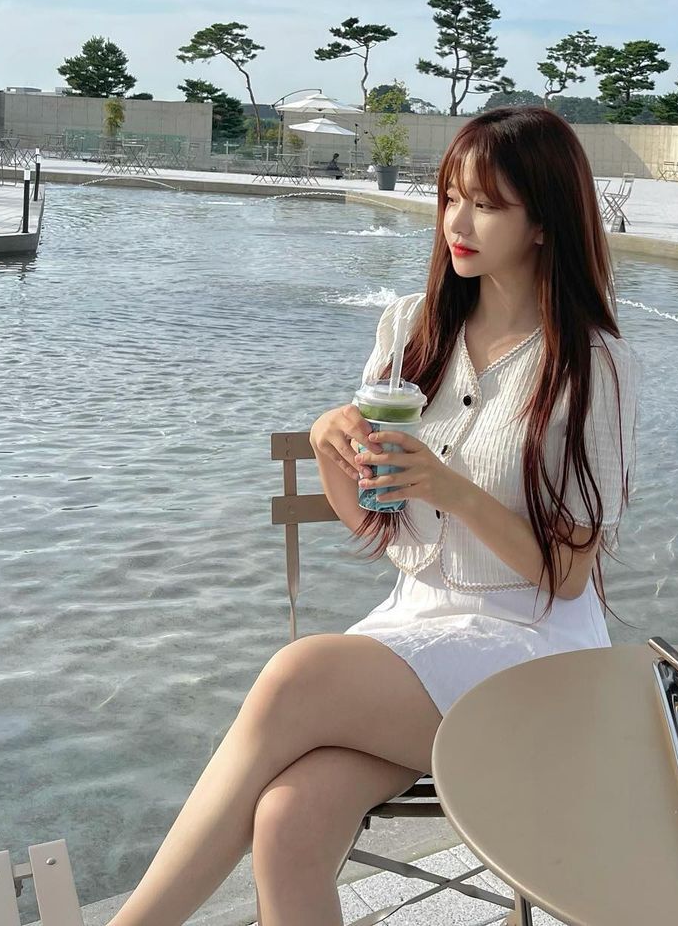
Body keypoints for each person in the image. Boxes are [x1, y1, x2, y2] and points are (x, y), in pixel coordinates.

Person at [107, 106, 639, 926]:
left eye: (486, 205)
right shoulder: (413, 330)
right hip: (417, 630)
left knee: (294, 675)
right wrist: (332, 444)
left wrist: (454, 488)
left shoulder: (590, 365)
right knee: (287, 821)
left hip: (533, 653)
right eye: (450, 196)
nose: (456, 222)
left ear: (542, 223)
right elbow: (378, 526)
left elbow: (568, 577)